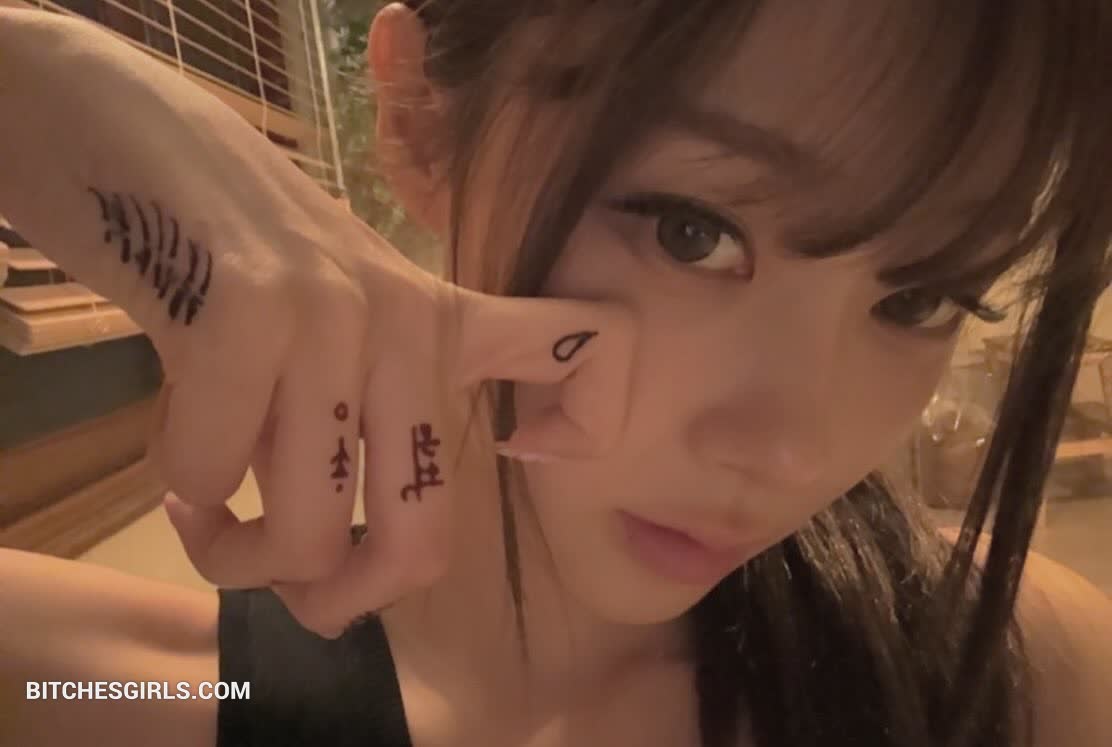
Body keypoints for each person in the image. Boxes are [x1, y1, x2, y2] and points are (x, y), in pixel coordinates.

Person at [1, 1, 1110, 746]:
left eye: (920, 298)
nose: (790, 451)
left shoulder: (1012, 675)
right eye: (691, 232)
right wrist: (38, 84)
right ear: (422, 123)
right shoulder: (109, 690)